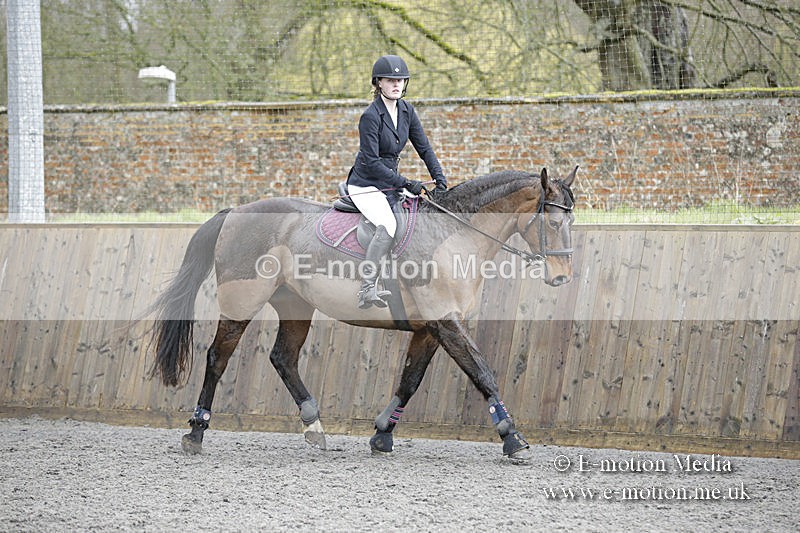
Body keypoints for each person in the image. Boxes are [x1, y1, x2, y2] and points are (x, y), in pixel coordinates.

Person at [347, 54, 448, 309]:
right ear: (378, 83)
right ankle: (367, 288)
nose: (396, 84)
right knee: (389, 224)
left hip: (390, 182)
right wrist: (406, 182)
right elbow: (371, 162)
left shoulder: (407, 111)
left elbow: (424, 148)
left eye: (401, 80)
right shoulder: (370, 116)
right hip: (365, 184)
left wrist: (440, 178)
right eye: (390, 80)